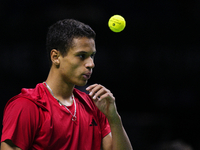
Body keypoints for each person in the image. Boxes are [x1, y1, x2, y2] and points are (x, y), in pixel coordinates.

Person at [0, 19, 133, 150]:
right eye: (82, 56)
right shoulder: (27, 106)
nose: (91, 64)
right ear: (56, 57)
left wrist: (114, 118)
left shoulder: (95, 106)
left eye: (92, 56)